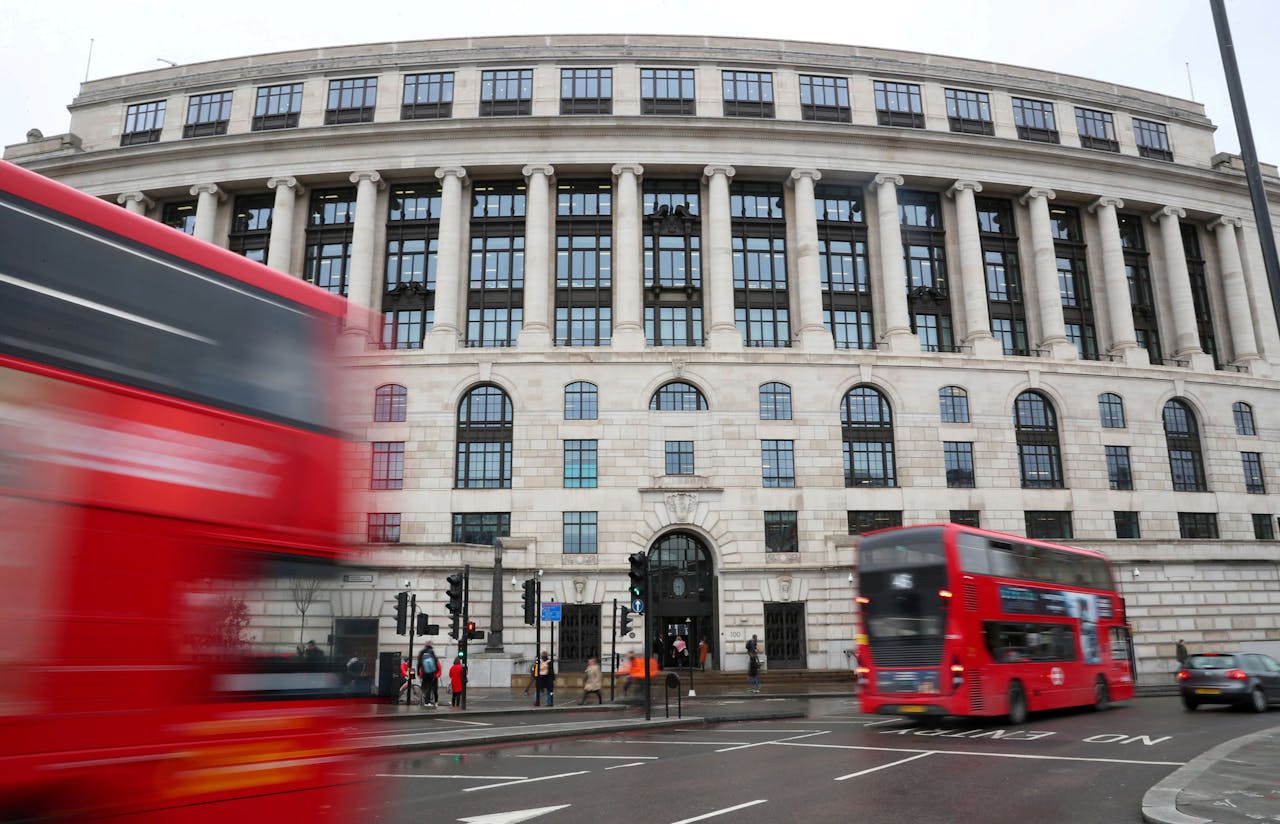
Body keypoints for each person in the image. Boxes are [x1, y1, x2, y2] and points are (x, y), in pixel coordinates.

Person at [418, 643, 440, 707]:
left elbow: (419, 664)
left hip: (424, 674)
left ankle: (423, 701)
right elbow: (436, 664)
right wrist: (436, 672)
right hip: (431, 674)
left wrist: (418, 673)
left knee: (424, 688)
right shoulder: (432, 653)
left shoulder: (422, 652)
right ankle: (427, 702)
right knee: (429, 688)